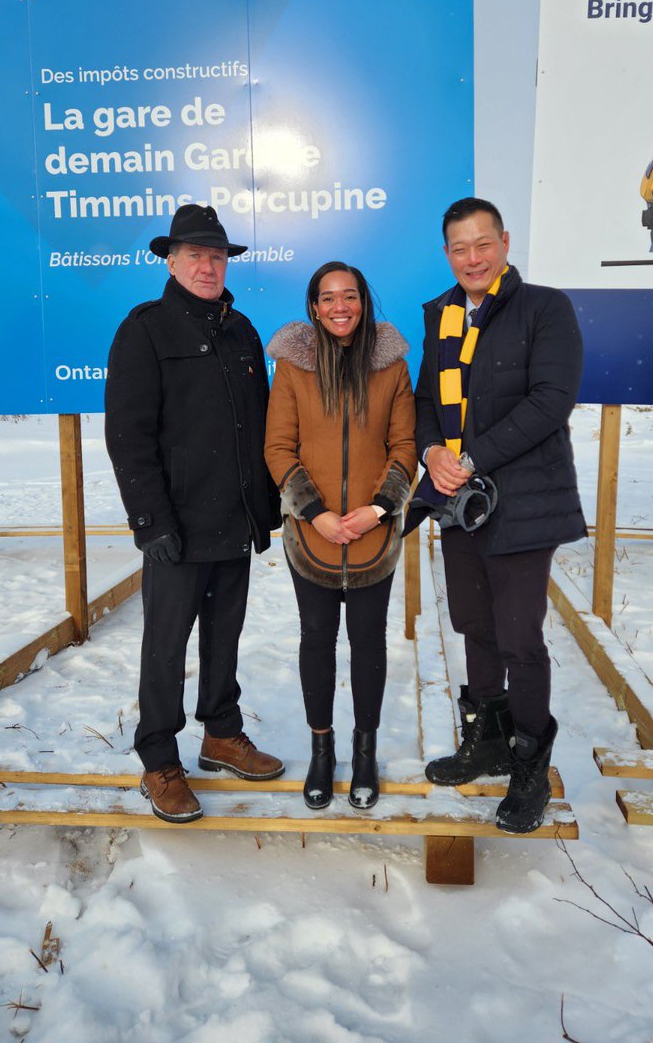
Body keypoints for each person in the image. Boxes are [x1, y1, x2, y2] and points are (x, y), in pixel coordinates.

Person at [105, 203, 284, 824]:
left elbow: (258, 427)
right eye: (196, 256)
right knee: (165, 643)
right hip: (176, 528)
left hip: (233, 520)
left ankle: (221, 734)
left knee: (224, 636)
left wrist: (265, 507)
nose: (208, 267)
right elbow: (128, 434)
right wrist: (149, 521)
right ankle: (159, 757)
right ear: (172, 261)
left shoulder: (242, 331)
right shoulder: (145, 329)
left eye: (217, 256)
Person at [412, 197, 585, 833]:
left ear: (505, 243)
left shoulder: (545, 308)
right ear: (448, 254)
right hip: (460, 500)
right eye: (460, 248)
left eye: (483, 244)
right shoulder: (441, 315)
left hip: (523, 500)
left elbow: (550, 401)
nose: (473, 258)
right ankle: (486, 737)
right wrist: (433, 451)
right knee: (474, 625)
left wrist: (472, 455)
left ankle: (530, 761)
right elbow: (426, 396)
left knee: (519, 637)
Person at [264, 262, 416, 811]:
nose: (339, 307)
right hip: (314, 534)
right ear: (313, 307)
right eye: (327, 298)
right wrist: (315, 512)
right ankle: (322, 751)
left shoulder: (392, 367)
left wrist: (378, 508)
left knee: (369, 641)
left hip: (375, 532)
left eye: (349, 295)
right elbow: (278, 448)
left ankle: (366, 751)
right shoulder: (292, 369)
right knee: (317, 639)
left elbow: (405, 448)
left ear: (363, 301)